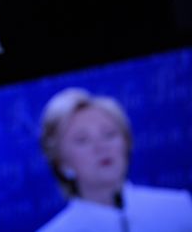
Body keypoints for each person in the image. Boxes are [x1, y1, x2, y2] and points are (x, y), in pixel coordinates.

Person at [36, 87, 192, 232]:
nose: (101, 147)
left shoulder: (177, 208)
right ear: (61, 162)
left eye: (109, 134)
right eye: (82, 140)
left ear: (127, 142)